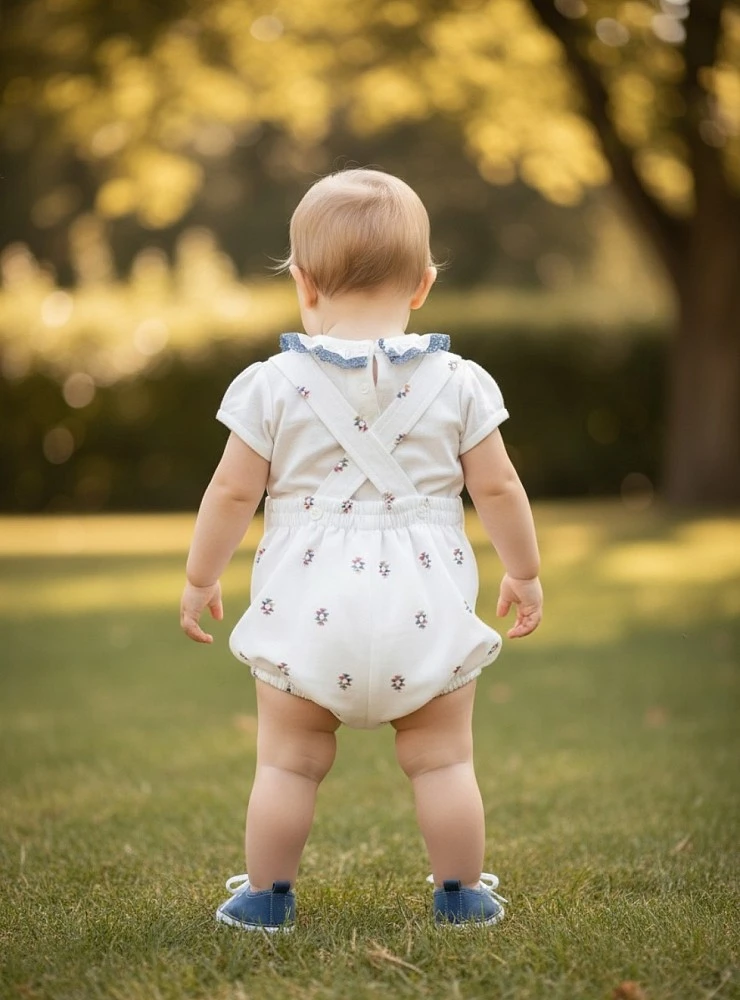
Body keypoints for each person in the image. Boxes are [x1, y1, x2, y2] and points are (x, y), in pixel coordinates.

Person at [180, 168, 543, 933]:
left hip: (308, 608)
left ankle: (266, 898)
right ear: (423, 283)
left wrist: (199, 576)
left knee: (287, 762)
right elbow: (501, 489)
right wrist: (525, 571)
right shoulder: (461, 383)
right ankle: (461, 894)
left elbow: (230, 494)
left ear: (304, 283)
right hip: (424, 607)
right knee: (443, 762)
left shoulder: (272, 385)